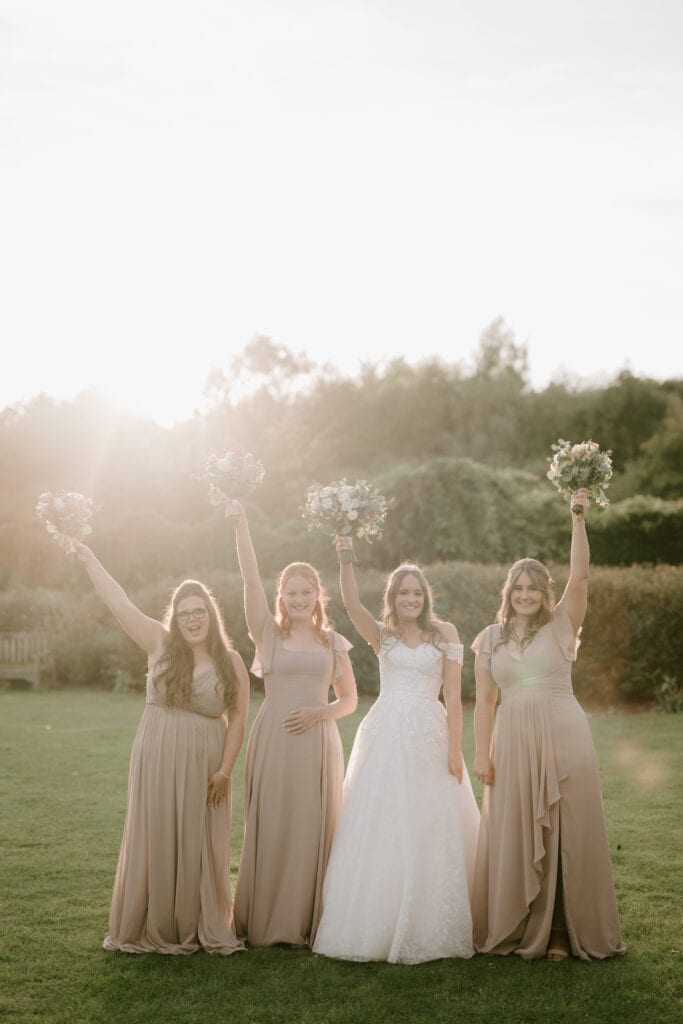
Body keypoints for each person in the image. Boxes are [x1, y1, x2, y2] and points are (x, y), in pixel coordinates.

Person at [65, 541, 249, 955]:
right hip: (156, 754)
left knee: (196, 838)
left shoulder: (231, 661)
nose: (192, 619)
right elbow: (120, 603)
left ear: (211, 614)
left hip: (206, 764)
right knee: (156, 832)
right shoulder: (160, 644)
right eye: (184, 613)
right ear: (176, 618)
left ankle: (192, 921)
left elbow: (237, 718)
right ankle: (154, 921)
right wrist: (89, 558)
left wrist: (224, 770)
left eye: (199, 611)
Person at [471, 489, 626, 961]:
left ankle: (561, 932)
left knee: (565, 832)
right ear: (508, 592)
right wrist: (480, 752)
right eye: (517, 588)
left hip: (562, 733)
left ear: (545, 593)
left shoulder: (563, 624)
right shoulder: (489, 638)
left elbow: (580, 574)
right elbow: (483, 701)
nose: (524, 595)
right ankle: (517, 925)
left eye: (533, 588)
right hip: (512, 739)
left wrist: (578, 516)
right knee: (517, 832)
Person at [312, 538, 480, 964]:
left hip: (430, 733)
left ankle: (431, 920)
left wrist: (456, 751)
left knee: (430, 821)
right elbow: (350, 605)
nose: (410, 598)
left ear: (426, 598)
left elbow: (456, 697)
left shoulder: (445, 636)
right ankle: (372, 917)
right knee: (380, 820)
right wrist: (346, 556)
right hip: (385, 733)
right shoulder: (382, 637)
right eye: (403, 592)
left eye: (417, 592)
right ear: (393, 597)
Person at [226, 502, 357, 947]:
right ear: (281, 596)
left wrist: (321, 713)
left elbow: (350, 701)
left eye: (306, 593)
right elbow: (248, 579)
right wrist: (242, 525)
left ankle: (303, 919)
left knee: (311, 828)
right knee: (274, 824)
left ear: (317, 596)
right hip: (275, 740)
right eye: (290, 593)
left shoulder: (333, 642)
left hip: (318, 744)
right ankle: (264, 919)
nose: (298, 599)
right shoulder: (267, 633)